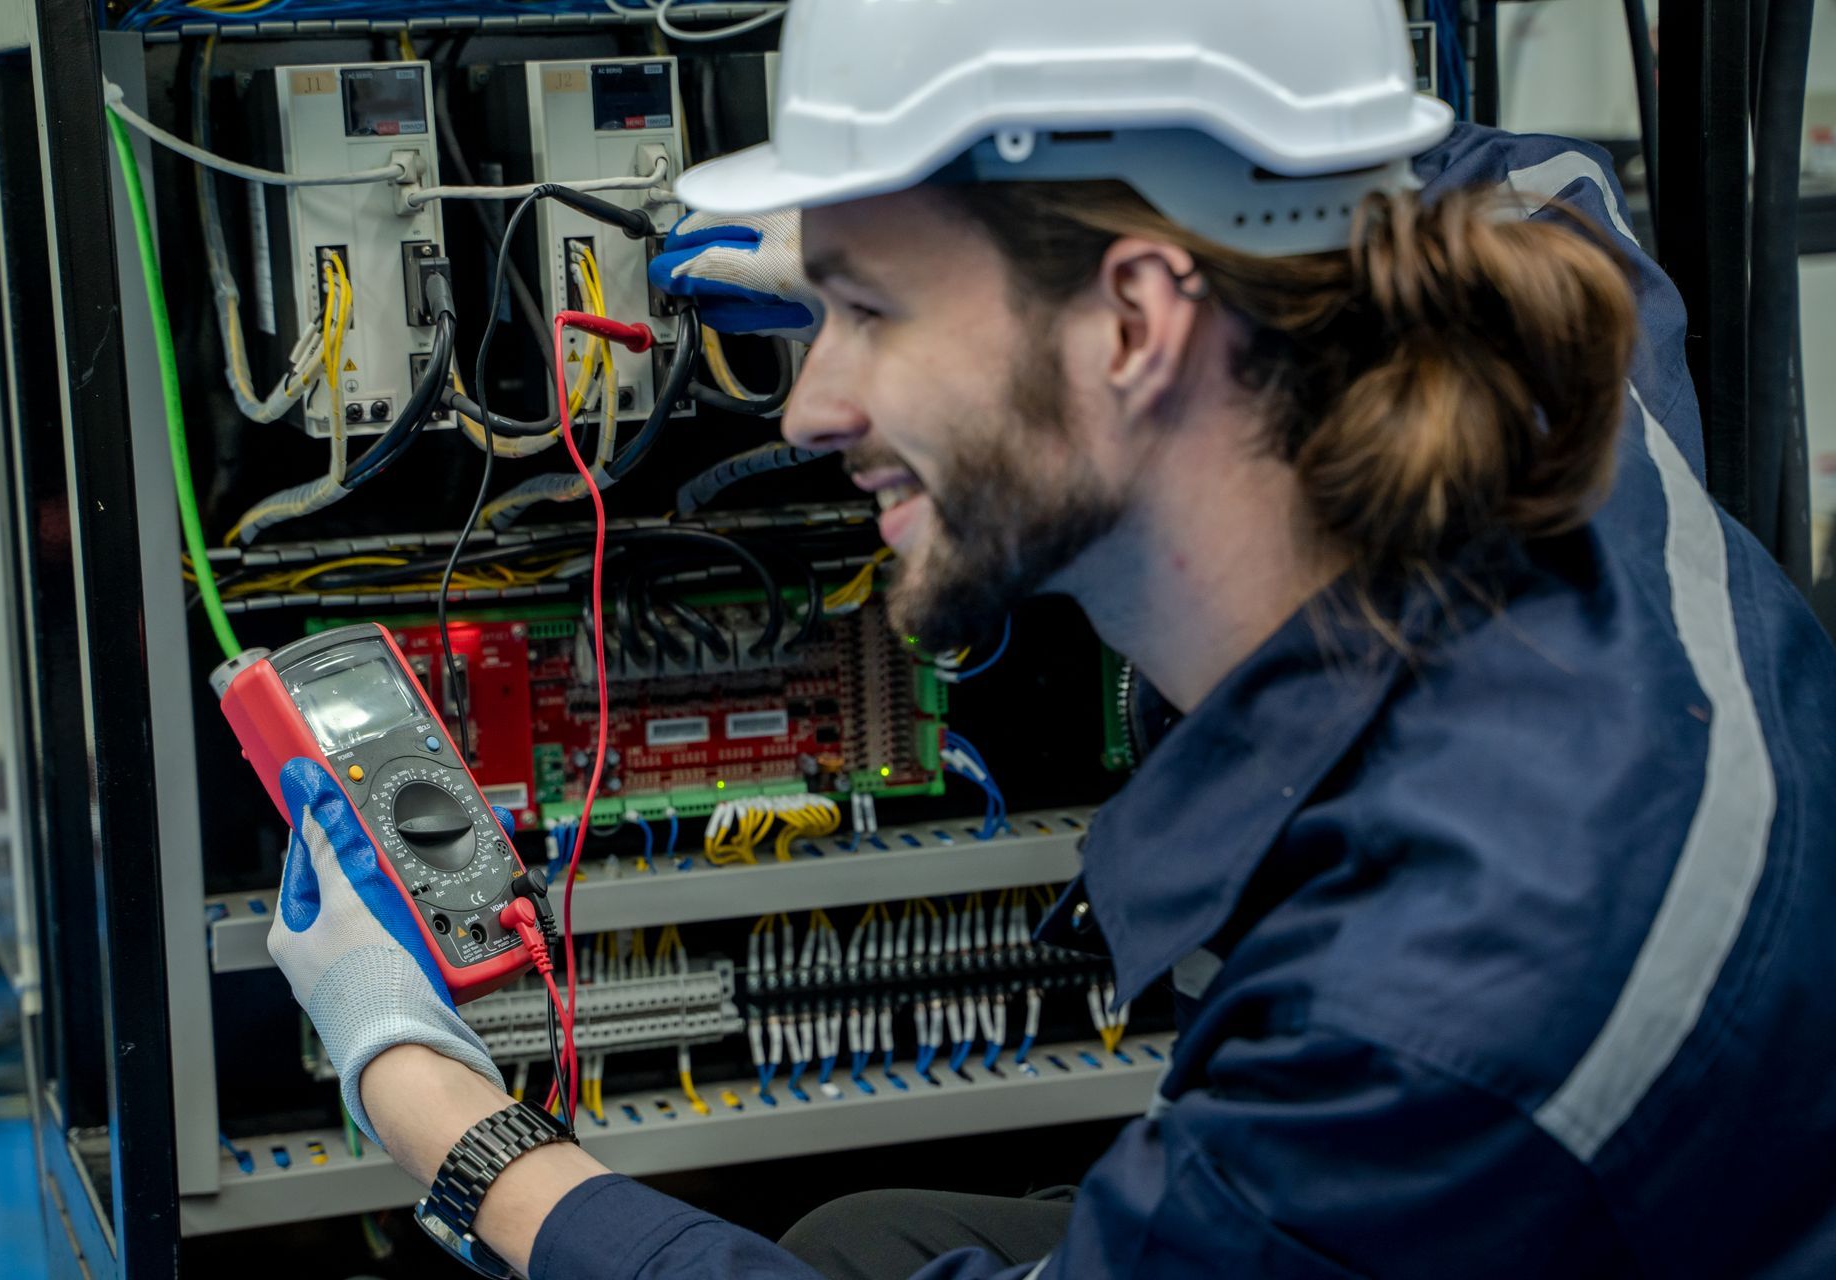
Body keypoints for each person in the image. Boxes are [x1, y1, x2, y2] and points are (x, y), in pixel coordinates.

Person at [264, 3, 1836, 1277]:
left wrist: (444, 1112)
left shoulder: (1413, 1029)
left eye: (870, 311)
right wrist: (873, 262)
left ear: (1141, 323)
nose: (811, 404)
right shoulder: (1574, 393)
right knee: (872, 1233)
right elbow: (1507, 176)